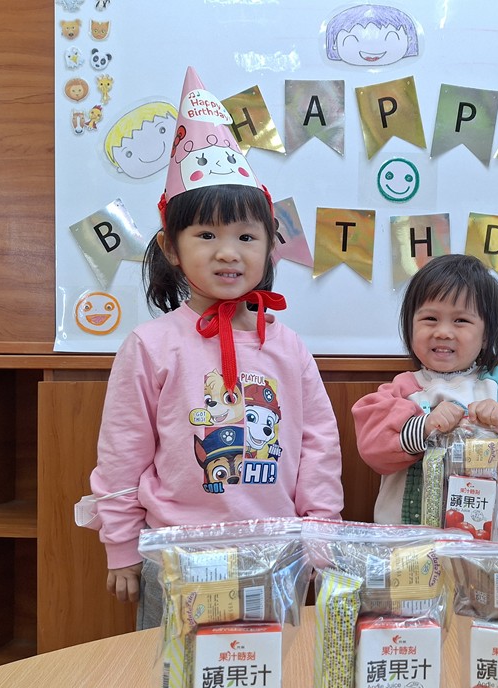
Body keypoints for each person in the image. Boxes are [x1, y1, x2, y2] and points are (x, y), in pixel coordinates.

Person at [88, 67, 343, 628]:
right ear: (170, 247)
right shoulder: (150, 345)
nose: (229, 252)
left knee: (267, 671)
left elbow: (318, 445)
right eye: (206, 235)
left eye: (246, 237)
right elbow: (123, 450)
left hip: (278, 554)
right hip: (176, 555)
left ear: (270, 247)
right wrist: (121, 544)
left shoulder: (289, 347)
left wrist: (320, 533)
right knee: (174, 672)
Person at [351, 254, 498, 539]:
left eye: (461, 320)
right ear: (410, 326)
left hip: (494, 540)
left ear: (486, 335)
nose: (443, 332)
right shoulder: (402, 390)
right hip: (412, 540)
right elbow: (372, 442)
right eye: (430, 318)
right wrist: (424, 426)